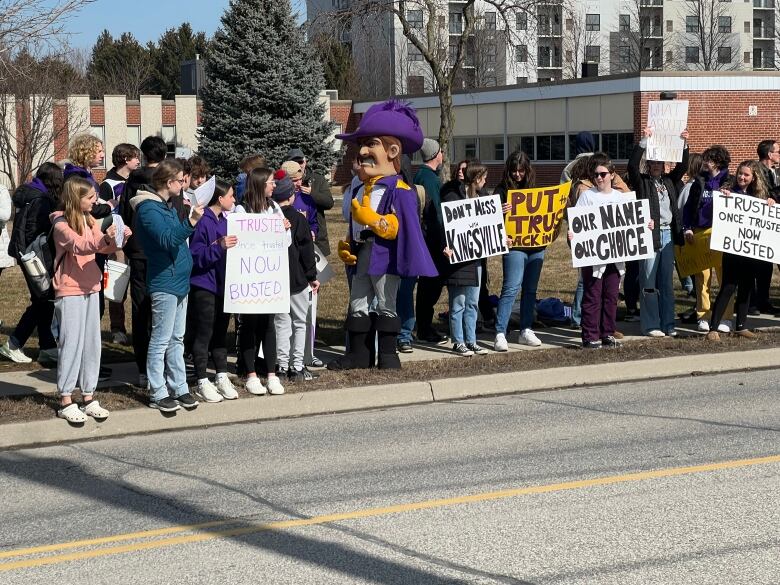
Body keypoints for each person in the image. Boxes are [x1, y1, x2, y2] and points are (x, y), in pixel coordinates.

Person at [329, 99, 438, 370]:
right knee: (358, 301)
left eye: (371, 144)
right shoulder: (360, 188)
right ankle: (358, 355)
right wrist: (349, 243)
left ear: (392, 151)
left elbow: (402, 226)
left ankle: (388, 355)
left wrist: (376, 222)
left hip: (385, 257)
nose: (363, 151)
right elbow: (355, 220)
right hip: (363, 253)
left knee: (385, 301)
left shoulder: (399, 189)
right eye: (362, 144)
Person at [50, 177, 130, 423]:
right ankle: (65, 398)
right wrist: (103, 238)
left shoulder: (90, 220)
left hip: (91, 286)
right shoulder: (60, 223)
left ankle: (88, 396)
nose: (95, 201)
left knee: (92, 344)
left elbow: (100, 248)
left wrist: (120, 239)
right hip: (69, 289)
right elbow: (80, 245)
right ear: (76, 199)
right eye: (90, 197)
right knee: (71, 343)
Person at [130, 159, 202, 413]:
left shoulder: (168, 206)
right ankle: (157, 390)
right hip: (164, 281)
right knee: (160, 339)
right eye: (181, 180)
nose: (184, 184)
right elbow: (168, 239)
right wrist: (191, 221)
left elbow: (178, 235)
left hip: (180, 281)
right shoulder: (149, 210)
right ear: (169, 182)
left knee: (176, 338)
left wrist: (189, 221)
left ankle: (179, 386)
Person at [570, 156, 653, 349]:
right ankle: (590, 335)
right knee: (592, 296)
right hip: (594, 258)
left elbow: (634, 222)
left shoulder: (620, 197)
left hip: (615, 258)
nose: (599, 178)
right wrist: (573, 235)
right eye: (596, 175)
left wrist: (646, 225)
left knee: (611, 296)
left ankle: (607, 333)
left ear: (612, 175)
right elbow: (578, 225)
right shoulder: (587, 196)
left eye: (603, 174)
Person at [627, 126, 689, 337]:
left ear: (664, 165)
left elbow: (682, 167)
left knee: (666, 283)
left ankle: (668, 323)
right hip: (650, 235)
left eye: (659, 162)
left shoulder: (670, 181)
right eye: (652, 162)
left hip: (668, 235)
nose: (656, 166)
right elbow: (632, 166)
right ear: (649, 164)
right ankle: (651, 324)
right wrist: (644, 141)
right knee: (648, 282)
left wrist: (683, 144)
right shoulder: (641, 182)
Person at [1, 163, 63, 364]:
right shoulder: (41, 200)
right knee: (43, 299)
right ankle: (13, 343)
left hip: (26, 254)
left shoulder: (29, 193)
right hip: (35, 257)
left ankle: (47, 346)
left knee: (45, 300)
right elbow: (34, 230)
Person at [706, 161, 775, 341]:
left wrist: (770, 202)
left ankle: (741, 326)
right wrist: (723, 197)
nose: (742, 177)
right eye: (740, 174)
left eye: (746, 175)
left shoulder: (758, 197)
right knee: (728, 287)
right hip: (732, 251)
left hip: (750, 252)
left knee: (746, 288)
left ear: (754, 178)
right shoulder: (729, 192)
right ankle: (713, 328)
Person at [120, 136, 168, 389]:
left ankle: (142, 368)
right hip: (161, 250)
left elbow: (125, 214)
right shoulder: (167, 180)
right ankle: (160, 366)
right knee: (164, 309)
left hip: (138, 249)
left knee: (141, 309)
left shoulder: (132, 181)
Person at [237, 167, 287, 396]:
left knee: (269, 325)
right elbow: (241, 240)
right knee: (249, 325)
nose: (274, 185)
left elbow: (284, 242)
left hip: (269, 277)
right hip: (249, 278)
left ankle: (272, 374)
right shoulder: (242, 209)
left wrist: (284, 229)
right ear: (259, 184)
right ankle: (251, 374)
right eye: (270, 182)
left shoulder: (274, 207)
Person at [188, 179, 240, 403]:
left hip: (222, 285)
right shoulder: (203, 222)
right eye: (231, 196)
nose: (234, 200)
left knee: (220, 331)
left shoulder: (225, 220)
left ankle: (220, 374)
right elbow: (195, 255)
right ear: (220, 199)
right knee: (204, 333)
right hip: (204, 286)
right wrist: (218, 246)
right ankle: (201, 379)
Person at [492, 149, 544, 351]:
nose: (517, 175)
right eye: (514, 171)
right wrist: (499, 211)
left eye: (521, 171)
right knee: (511, 287)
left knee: (530, 290)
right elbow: (488, 218)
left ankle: (526, 329)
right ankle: (500, 331)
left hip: (536, 245)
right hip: (514, 246)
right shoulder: (501, 189)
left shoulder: (534, 188)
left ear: (527, 170)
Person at [273, 170, 320, 382]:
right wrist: (312, 275)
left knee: (281, 323)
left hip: (276, 279)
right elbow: (306, 251)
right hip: (298, 279)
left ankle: (281, 366)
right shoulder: (298, 219)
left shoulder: (269, 219)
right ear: (291, 196)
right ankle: (297, 365)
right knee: (299, 323)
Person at [683, 145, 735, 333]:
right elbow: (689, 207)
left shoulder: (730, 181)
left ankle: (726, 317)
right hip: (700, 233)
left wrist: (731, 195)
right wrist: (687, 228)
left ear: (718, 162)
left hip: (721, 233)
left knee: (725, 278)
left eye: (709, 159)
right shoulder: (699, 181)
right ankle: (703, 316)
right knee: (702, 278)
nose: (705, 162)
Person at [440, 161, 490, 357]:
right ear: (477, 179)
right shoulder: (454, 198)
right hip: (459, 259)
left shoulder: (484, 198)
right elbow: (448, 225)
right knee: (458, 302)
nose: (486, 181)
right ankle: (458, 341)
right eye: (484, 178)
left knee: (472, 303)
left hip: (476, 258)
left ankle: (471, 340)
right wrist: (447, 246)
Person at [99, 143, 142, 345]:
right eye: (135, 157)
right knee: (118, 285)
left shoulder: (138, 180)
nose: (138, 161)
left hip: (138, 238)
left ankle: (140, 329)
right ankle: (117, 329)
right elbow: (103, 214)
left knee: (138, 285)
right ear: (125, 159)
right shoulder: (108, 184)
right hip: (118, 242)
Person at [414, 138, 449, 346]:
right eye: (441, 151)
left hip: (425, 237)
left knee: (427, 284)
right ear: (436, 155)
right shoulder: (431, 180)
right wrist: (443, 239)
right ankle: (425, 327)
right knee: (432, 284)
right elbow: (436, 212)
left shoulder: (421, 174)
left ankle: (423, 325)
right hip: (432, 240)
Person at [287, 148, 334, 256]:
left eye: (300, 162)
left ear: (305, 161)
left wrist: (312, 193)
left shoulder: (317, 179)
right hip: (292, 238)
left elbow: (329, 203)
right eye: (295, 162)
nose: (299, 165)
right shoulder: (284, 182)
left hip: (316, 237)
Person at [750, 140, 780, 315]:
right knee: (755, 265)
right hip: (758, 225)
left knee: (766, 266)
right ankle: (752, 302)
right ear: (770, 154)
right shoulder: (756, 170)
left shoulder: (774, 172)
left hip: (771, 225)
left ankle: (763, 300)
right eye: (778, 151)